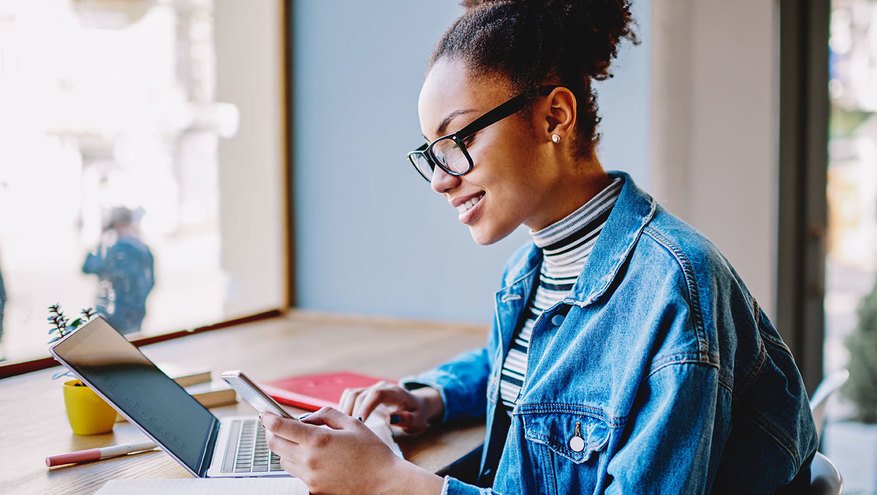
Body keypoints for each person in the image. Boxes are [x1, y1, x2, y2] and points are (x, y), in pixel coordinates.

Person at [260, 1, 819, 493]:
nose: (440, 178)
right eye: (432, 153)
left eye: (458, 140)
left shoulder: (676, 287)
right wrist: (430, 398)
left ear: (555, 115)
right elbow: (525, 365)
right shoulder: (530, 271)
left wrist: (391, 482)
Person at [82, 206, 154, 335]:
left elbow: (88, 267)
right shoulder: (143, 248)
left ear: (115, 223)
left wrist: (100, 237)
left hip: (112, 312)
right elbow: (152, 281)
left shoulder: (112, 251)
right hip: (136, 310)